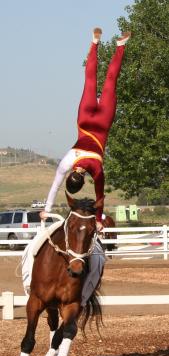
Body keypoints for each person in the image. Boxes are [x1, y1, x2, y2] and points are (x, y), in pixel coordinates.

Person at [40, 28, 131, 231]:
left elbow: (100, 198)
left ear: (83, 181)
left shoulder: (97, 171)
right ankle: (94, 43)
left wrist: (98, 220)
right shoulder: (68, 161)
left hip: (103, 122)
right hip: (85, 119)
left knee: (110, 82)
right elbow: (55, 185)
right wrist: (46, 208)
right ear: (73, 173)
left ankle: (120, 46)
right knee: (90, 80)